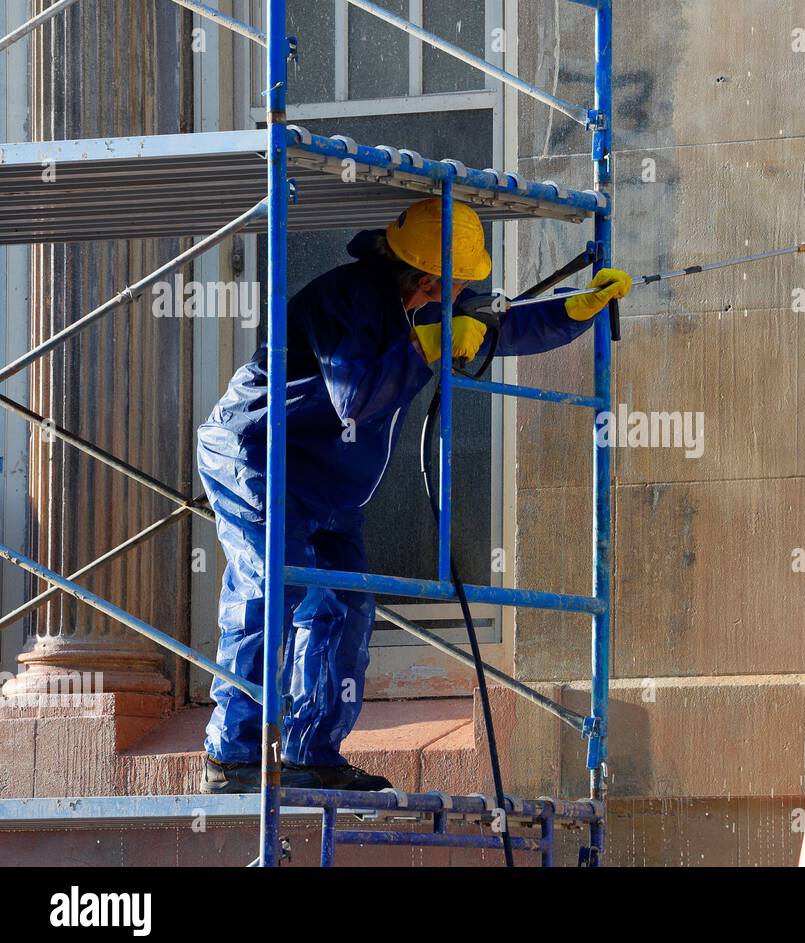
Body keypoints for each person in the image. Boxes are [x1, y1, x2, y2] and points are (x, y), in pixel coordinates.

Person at [197, 197, 631, 793]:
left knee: (344, 608)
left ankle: (312, 755)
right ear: (427, 278)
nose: (462, 295)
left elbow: (505, 325)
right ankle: (232, 756)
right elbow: (355, 396)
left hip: (329, 480)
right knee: (271, 588)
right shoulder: (344, 299)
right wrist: (431, 347)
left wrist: (578, 311)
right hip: (259, 459)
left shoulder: (422, 304)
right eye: (457, 285)